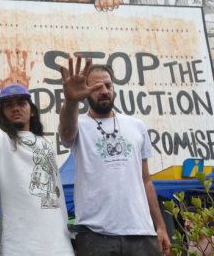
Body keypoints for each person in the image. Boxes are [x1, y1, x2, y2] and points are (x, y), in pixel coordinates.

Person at [0, 53, 74, 256]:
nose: (16, 108)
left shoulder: (45, 144)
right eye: (8, 105)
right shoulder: (0, 141)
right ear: (2, 114)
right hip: (20, 248)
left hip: (60, 246)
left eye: (21, 103)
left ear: (32, 110)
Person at [58, 56, 171, 256]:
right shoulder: (79, 124)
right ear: (85, 92)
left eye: (108, 85)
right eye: (96, 87)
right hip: (96, 235)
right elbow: (66, 133)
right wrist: (70, 101)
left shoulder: (137, 125)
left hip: (142, 233)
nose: (104, 91)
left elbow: (146, 181)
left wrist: (160, 226)